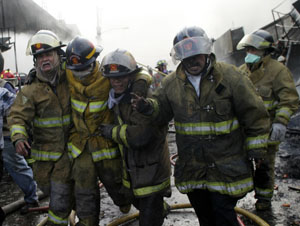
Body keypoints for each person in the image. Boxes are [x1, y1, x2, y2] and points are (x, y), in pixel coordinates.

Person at [131, 26, 270, 226]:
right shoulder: (171, 84)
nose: (192, 60)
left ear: (206, 52)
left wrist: (257, 152)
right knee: (205, 216)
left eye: (196, 54)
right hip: (194, 169)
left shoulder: (231, 77)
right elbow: (160, 112)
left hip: (226, 166)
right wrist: (147, 108)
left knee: (223, 215)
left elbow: (255, 114)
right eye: (186, 56)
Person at [99, 49, 171, 226]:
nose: (116, 82)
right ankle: (158, 209)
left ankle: (156, 211)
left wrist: (111, 132)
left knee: (147, 219)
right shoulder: (118, 98)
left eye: (121, 77)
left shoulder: (142, 97)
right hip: (135, 172)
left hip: (152, 172)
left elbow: (140, 136)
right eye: (112, 78)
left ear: (131, 75)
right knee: (142, 204)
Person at [7, 30, 73, 225]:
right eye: (40, 56)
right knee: (60, 204)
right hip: (51, 162)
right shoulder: (29, 90)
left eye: (48, 54)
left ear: (58, 56)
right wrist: (18, 137)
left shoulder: (72, 79)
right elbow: (17, 116)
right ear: (35, 61)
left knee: (85, 202)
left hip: (78, 153)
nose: (44, 59)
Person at [65, 37, 131, 225]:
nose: (79, 74)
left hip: (106, 142)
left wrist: (141, 81)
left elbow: (135, 73)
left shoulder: (107, 75)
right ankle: (87, 222)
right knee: (84, 191)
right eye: (75, 71)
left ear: (93, 62)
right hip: (81, 144)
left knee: (117, 185)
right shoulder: (67, 73)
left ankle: (125, 202)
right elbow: (49, 73)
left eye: (84, 69)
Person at [237, 29, 299, 211]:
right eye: (247, 50)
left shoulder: (278, 71)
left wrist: (280, 121)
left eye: (253, 50)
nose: (249, 54)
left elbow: (289, 99)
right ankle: (239, 194)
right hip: (243, 130)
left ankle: (264, 201)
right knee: (239, 163)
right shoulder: (241, 72)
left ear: (264, 51)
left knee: (264, 166)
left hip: (267, 129)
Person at [0, 54, 39, 215]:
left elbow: (16, 114)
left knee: (18, 167)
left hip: (8, 135)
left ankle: (32, 198)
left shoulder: (5, 89)